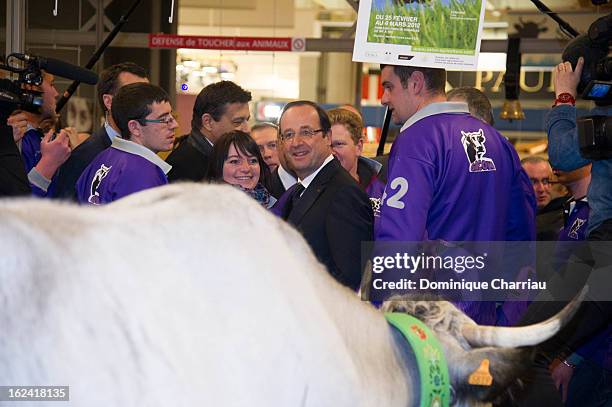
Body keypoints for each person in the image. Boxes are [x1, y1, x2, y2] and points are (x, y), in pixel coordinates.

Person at [375, 64, 536, 325]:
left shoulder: (417, 139)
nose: (384, 99)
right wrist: (505, 316)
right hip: (484, 318)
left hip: (432, 321)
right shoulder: (500, 142)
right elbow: (521, 235)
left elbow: (400, 237)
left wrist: (381, 310)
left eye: (388, 87)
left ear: (415, 82)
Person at [276, 100, 374, 291]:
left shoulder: (344, 193)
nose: (296, 143)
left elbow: (352, 280)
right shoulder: (298, 191)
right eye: (288, 135)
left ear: (327, 137)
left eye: (306, 132)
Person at [52, 62, 149, 200]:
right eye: (133, 96)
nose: (144, 104)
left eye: (147, 97)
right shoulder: (85, 157)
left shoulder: (147, 151)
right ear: (109, 102)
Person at [76, 83, 177, 205]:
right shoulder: (143, 174)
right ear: (134, 127)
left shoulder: (101, 158)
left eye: (171, 116)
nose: (175, 125)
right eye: (164, 119)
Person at [166, 81, 251, 182]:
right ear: (208, 122)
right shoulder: (183, 166)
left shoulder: (221, 155)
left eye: (247, 120)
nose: (247, 129)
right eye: (237, 122)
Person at [18, 70, 73, 196]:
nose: (56, 93)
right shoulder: (18, 141)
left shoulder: (38, 137)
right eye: (51, 84)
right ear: (31, 88)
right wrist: (49, 162)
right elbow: (19, 206)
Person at [327, 107, 385, 218]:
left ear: (358, 147)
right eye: (327, 145)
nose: (331, 152)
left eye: (338, 144)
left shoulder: (382, 194)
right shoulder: (308, 193)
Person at [207, 130, 275, 209]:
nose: (246, 168)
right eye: (235, 161)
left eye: (253, 161)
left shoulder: (275, 205)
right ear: (217, 165)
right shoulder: (203, 207)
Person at [521, 156, 566, 240]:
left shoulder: (565, 219)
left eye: (545, 181)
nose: (541, 189)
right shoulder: (508, 219)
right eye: (532, 182)